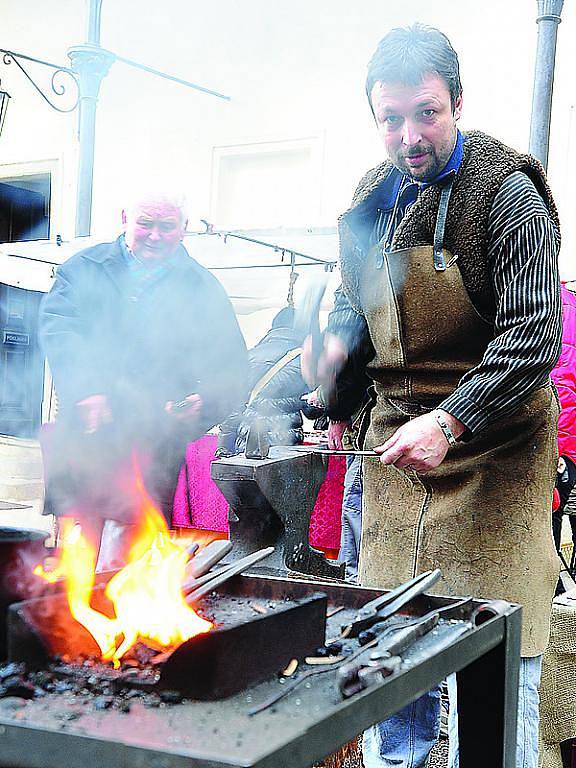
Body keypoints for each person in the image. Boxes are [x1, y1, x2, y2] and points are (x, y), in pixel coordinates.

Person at [303, 24, 562, 768]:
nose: (409, 136)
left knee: (501, 650)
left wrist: (452, 419)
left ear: (457, 101)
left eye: (426, 113)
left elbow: (534, 338)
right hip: (393, 453)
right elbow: (359, 316)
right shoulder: (370, 201)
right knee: (394, 639)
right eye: (391, 119)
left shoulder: (508, 196)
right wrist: (334, 392)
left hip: (496, 456)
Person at [40, 192, 248, 556]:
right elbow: (60, 329)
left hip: (157, 440)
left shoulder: (203, 288)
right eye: (145, 224)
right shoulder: (84, 268)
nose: (155, 235)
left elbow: (230, 363)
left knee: (137, 549)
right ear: (125, 218)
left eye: (166, 226)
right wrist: (87, 388)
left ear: (183, 229)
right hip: (90, 434)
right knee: (78, 545)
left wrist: (206, 401)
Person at [551, 284, 576, 587]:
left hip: (558, 444)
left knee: (549, 517)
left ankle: (553, 593)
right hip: (567, 445)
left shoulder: (544, 300)